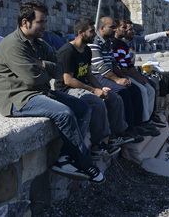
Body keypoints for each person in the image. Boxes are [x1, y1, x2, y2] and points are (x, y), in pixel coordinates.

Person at [0, 0, 104, 183]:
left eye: (45, 21)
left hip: (40, 93)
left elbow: (60, 70)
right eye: (41, 22)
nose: (45, 26)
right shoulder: (13, 45)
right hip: (18, 99)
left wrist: (42, 64)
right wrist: (44, 71)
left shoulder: (38, 43)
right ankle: (84, 163)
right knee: (64, 113)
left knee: (83, 108)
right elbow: (32, 78)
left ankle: (65, 158)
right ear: (25, 22)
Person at [54, 18, 134, 157]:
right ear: (80, 32)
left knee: (114, 98)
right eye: (91, 32)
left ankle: (115, 136)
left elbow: (89, 75)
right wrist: (93, 90)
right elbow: (68, 80)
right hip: (67, 90)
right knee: (96, 103)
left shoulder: (86, 51)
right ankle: (97, 145)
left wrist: (100, 88)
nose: (95, 35)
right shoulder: (67, 51)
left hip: (82, 86)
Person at [88, 17, 156, 139]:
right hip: (98, 76)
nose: (114, 29)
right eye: (112, 27)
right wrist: (117, 80)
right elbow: (100, 66)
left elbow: (113, 64)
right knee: (123, 91)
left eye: (115, 27)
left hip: (107, 73)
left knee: (133, 89)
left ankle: (137, 124)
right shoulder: (95, 42)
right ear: (102, 28)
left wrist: (123, 77)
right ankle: (126, 130)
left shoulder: (107, 42)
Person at [112, 20, 162, 131]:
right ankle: (140, 122)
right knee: (141, 90)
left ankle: (148, 118)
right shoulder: (112, 44)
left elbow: (129, 65)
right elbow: (120, 68)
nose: (126, 30)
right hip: (120, 75)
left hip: (127, 72)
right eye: (124, 28)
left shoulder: (123, 45)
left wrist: (139, 76)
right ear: (116, 29)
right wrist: (135, 77)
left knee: (150, 88)